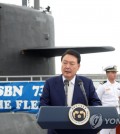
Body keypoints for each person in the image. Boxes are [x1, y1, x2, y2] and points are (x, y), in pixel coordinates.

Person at [39, 49, 102, 134]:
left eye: (71, 64)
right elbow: (43, 104)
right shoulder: (50, 83)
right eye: (64, 63)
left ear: (78, 66)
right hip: (56, 131)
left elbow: (96, 103)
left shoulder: (86, 83)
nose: (67, 66)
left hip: (81, 130)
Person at [96, 65, 120, 134]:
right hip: (106, 112)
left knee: (114, 131)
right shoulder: (102, 86)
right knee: (105, 131)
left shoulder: (118, 85)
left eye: (115, 72)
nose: (114, 74)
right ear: (107, 73)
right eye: (112, 72)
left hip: (117, 111)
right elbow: (96, 100)